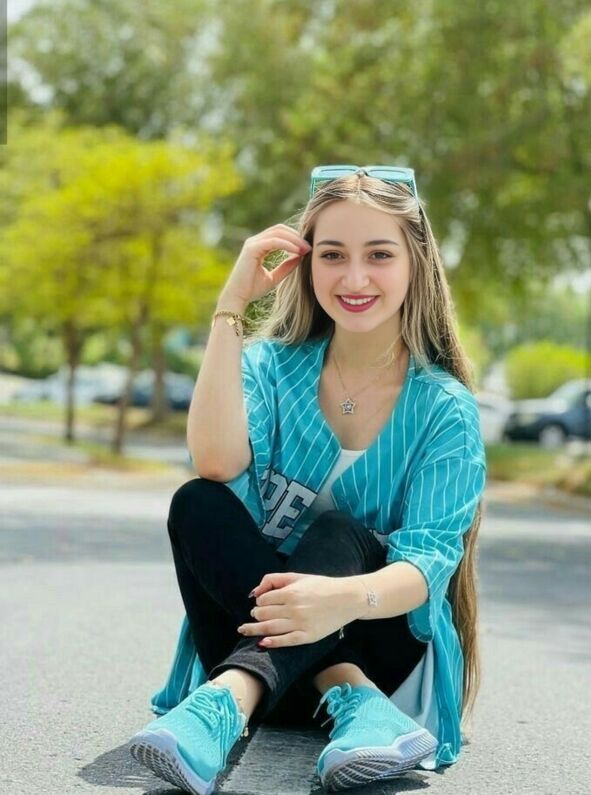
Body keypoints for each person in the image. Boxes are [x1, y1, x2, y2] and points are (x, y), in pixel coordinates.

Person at [128, 165, 487, 794]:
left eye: (379, 254)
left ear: (416, 263)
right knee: (197, 502)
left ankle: (229, 702)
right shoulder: (270, 368)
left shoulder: (443, 409)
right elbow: (215, 462)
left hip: (380, 648)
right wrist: (231, 306)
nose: (354, 278)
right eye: (333, 254)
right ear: (306, 263)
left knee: (339, 530)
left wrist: (341, 599)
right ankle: (338, 695)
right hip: (256, 638)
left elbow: (426, 565)